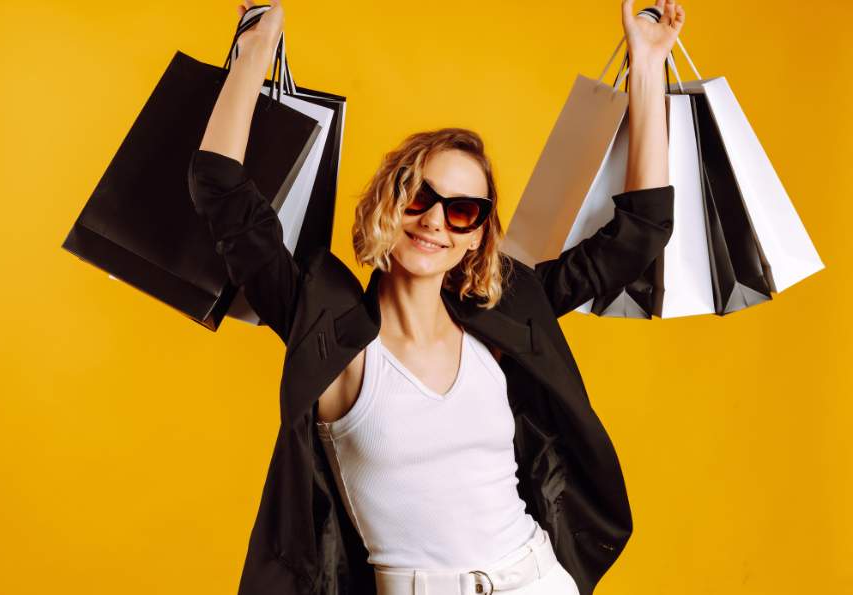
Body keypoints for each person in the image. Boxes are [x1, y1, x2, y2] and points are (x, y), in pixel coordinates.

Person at [187, 1, 684, 593]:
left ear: (478, 236)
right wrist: (258, 45)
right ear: (386, 203)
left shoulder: (502, 314)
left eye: (463, 210)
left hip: (538, 579)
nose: (435, 223)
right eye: (418, 197)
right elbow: (220, 189)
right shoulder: (328, 328)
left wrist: (648, 64)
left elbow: (639, 235)